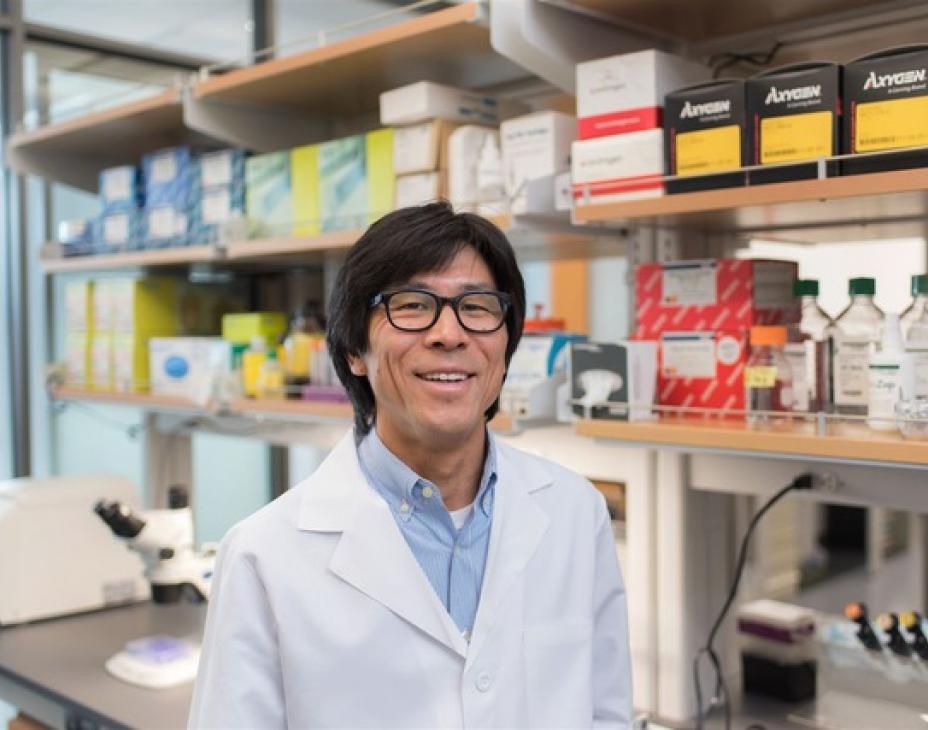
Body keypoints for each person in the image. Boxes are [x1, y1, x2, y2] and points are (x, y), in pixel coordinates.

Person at [188, 202, 632, 729]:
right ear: (355, 348)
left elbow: (606, 713)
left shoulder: (575, 512)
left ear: (506, 344)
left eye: (478, 306)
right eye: (414, 306)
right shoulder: (264, 555)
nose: (450, 333)